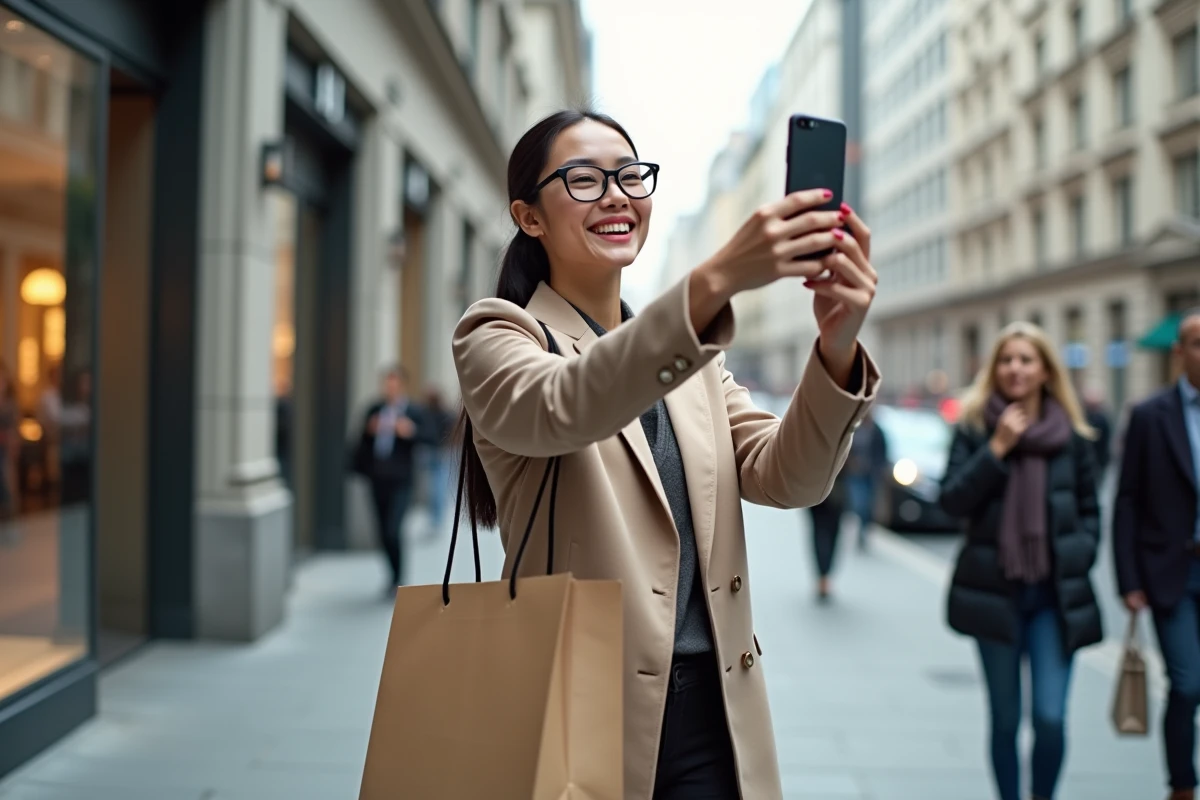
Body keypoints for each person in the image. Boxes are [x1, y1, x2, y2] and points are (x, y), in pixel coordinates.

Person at [451, 109, 879, 800]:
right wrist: (719, 279)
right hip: (578, 712)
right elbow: (567, 404)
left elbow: (789, 477)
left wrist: (835, 346)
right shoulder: (498, 334)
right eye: (584, 180)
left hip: (716, 713)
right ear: (529, 218)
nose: (616, 196)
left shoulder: (694, 359)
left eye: (630, 176)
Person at [938, 321, 1103, 800]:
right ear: (995, 370)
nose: (1015, 368)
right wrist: (997, 449)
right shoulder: (975, 429)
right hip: (995, 595)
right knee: (1006, 720)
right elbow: (952, 501)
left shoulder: (1072, 437)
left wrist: (1080, 552)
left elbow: (1091, 510)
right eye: (1006, 360)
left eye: (1026, 360)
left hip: (1054, 598)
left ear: (1046, 371)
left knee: (1049, 718)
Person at [1115, 308, 1200, 800]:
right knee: (1187, 684)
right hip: (1173, 572)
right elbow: (1127, 500)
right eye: (1197, 343)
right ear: (1179, 352)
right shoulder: (1150, 416)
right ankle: (1182, 785)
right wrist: (1129, 580)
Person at [353, 366, 436, 594]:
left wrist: (410, 431)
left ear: (402, 386)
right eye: (387, 385)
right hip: (377, 478)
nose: (390, 389)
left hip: (402, 479)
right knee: (381, 532)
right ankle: (391, 575)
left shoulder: (414, 411)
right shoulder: (374, 409)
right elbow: (360, 443)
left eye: (394, 385)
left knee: (393, 529)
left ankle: (398, 576)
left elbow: (431, 438)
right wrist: (369, 431)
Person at [842, 407, 888, 550]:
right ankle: (860, 529)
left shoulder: (877, 431)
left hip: (871, 475)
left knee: (868, 505)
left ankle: (863, 531)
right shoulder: (854, 429)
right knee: (858, 504)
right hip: (855, 474)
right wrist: (851, 463)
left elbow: (882, 454)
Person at [806, 470, 847, 602]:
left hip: (818, 489)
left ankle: (823, 577)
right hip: (830, 490)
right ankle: (824, 577)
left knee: (822, 533)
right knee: (826, 534)